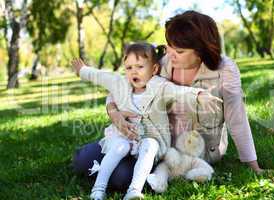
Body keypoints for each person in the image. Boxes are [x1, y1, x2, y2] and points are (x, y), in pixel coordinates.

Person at [72, 10, 263, 192]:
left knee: (121, 177)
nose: (170, 54)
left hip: (187, 153)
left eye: (178, 50)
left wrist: (253, 166)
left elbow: (237, 119)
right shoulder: (161, 63)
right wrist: (114, 113)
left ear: (201, 51)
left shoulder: (225, 70)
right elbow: (122, 87)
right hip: (147, 139)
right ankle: (101, 161)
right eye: (169, 45)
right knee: (84, 159)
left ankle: (123, 174)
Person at [71, 42, 220, 200]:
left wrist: (198, 95)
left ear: (154, 69)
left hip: (149, 143)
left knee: (150, 144)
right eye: (129, 68)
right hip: (123, 138)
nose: (133, 72)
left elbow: (179, 92)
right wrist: (83, 70)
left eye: (140, 67)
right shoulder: (120, 84)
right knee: (120, 146)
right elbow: (101, 76)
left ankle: (134, 190)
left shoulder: (160, 87)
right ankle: (98, 190)